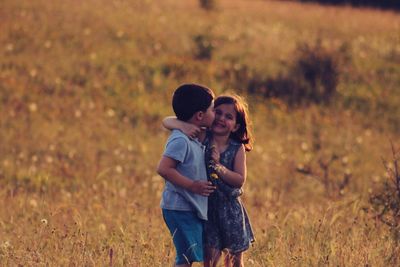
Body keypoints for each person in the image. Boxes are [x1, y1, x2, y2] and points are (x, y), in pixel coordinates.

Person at [163, 94, 255, 267]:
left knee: (234, 261)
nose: (221, 118)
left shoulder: (237, 148)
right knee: (211, 260)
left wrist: (218, 165)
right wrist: (182, 125)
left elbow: (239, 179)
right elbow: (167, 121)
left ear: (235, 126)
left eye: (228, 117)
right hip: (206, 209)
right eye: (217, 112)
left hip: (231, 211)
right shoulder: (203, 136)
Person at [157, 83, 217, 267]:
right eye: (212, 110)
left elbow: (167, 120)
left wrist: (182, 124)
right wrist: (192, 185)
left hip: (188, 206)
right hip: (179, 207)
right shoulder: (180, 140)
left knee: (189, 255)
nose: (215, 114)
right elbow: (164, 168)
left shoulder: (197, 133)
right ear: (200, 115)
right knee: (185, 257)